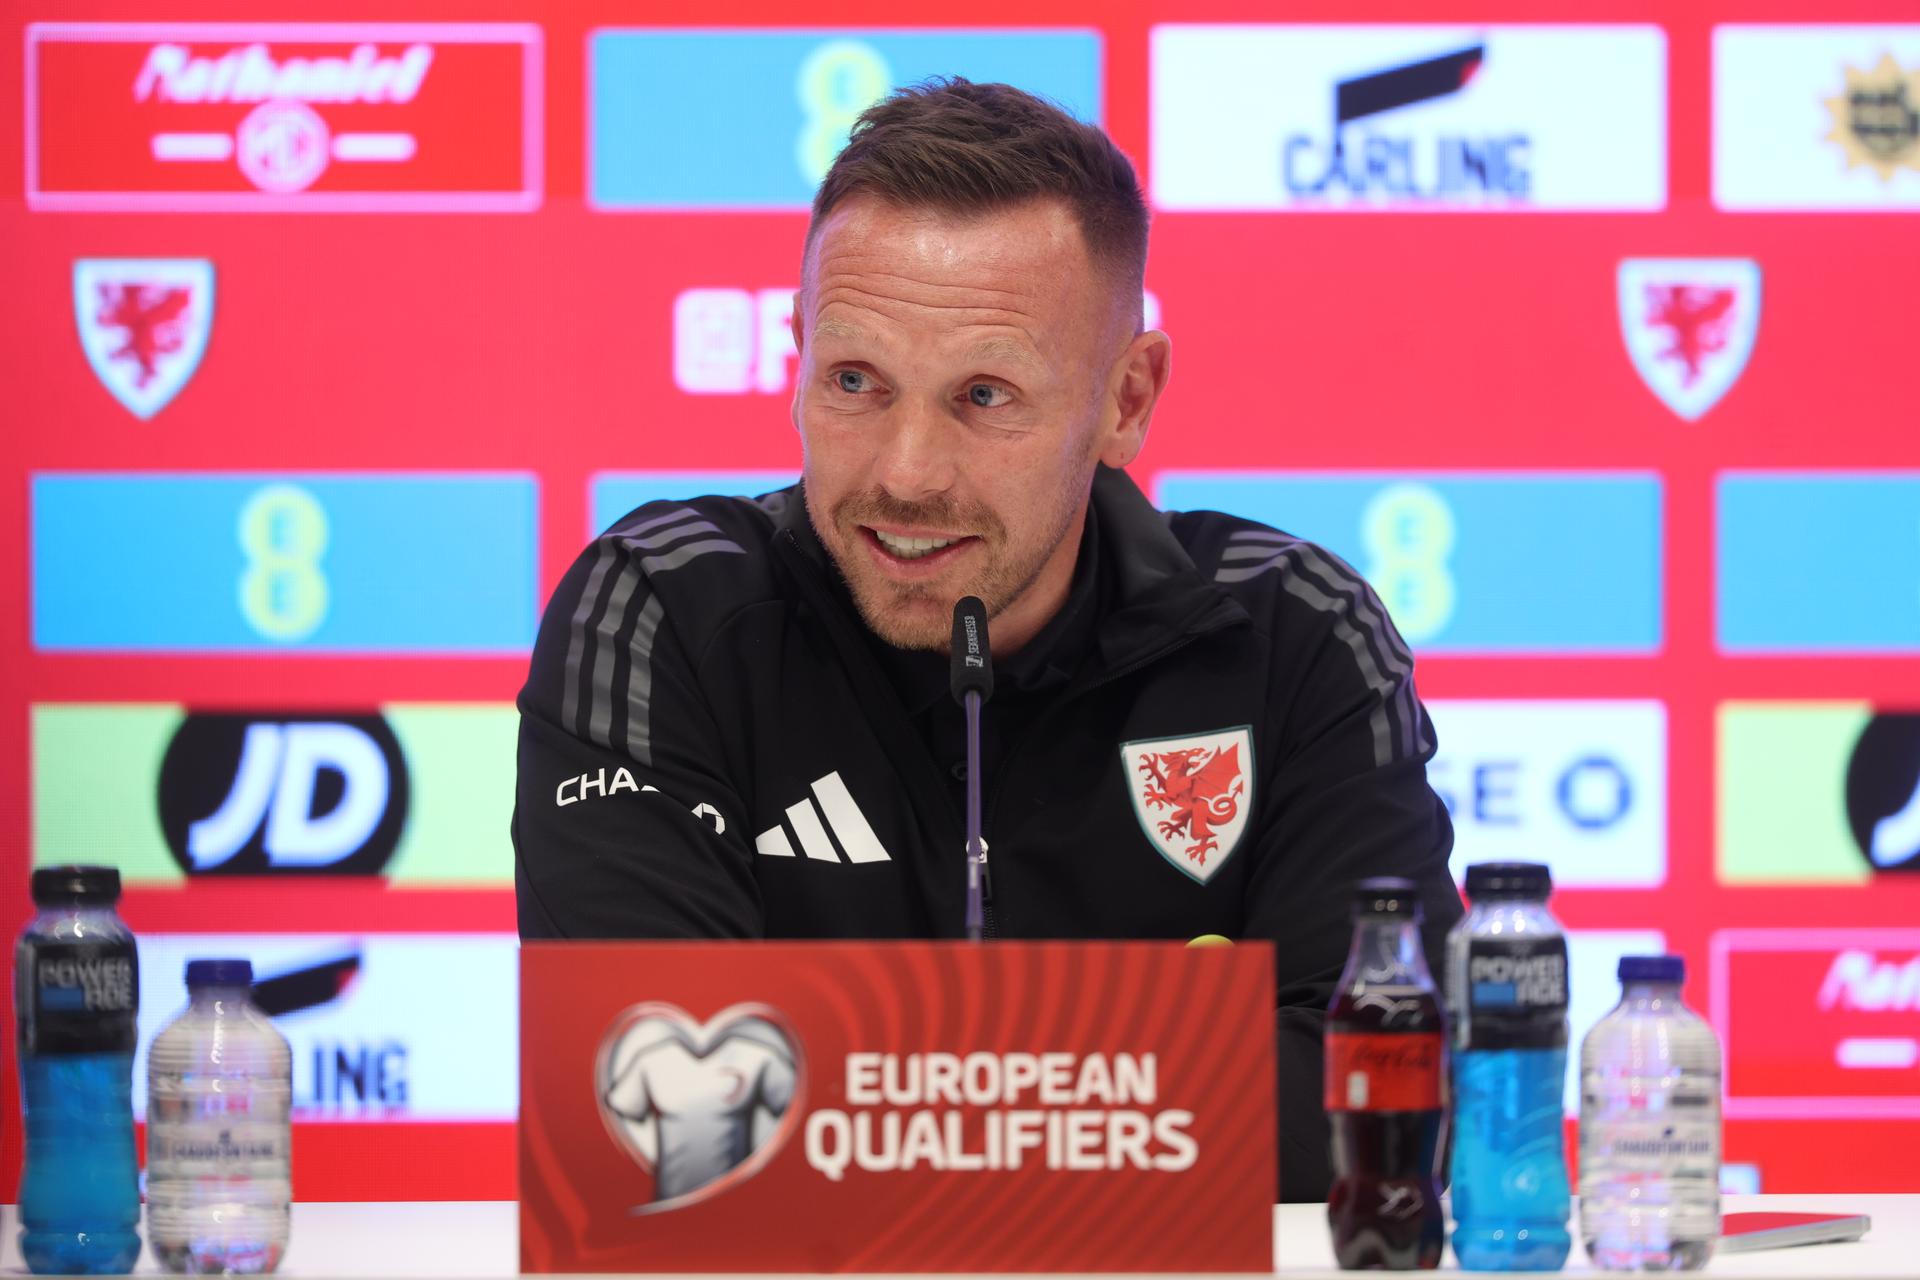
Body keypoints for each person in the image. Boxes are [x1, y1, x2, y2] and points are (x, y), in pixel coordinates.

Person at [513, 78, 1463, 1201]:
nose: (906, 473)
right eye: (855, 380)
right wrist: (1153, 1065)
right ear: (799, 354)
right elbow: (658, 1113)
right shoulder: (662, 611)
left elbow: (1388, 1103)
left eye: (984, 394)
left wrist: (864, 1081)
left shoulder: (1292, 631)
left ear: (1126, 398)